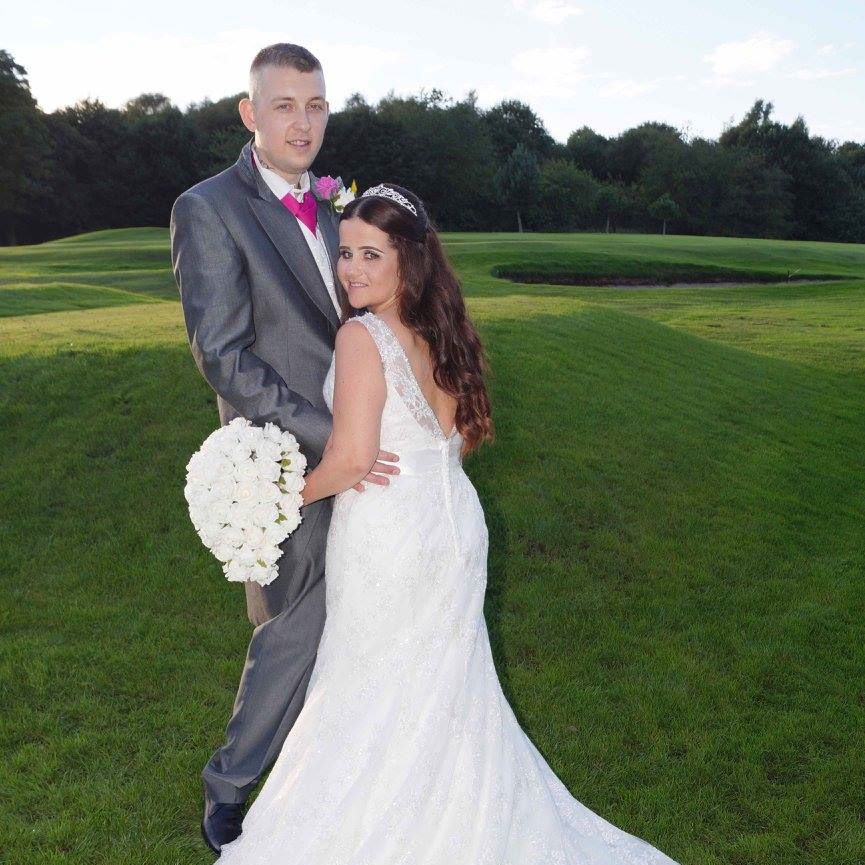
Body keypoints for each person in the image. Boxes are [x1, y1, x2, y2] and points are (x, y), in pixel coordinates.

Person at [214, 183, 679, 864]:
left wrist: (274, 502)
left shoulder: (361, 335)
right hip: (452, 524)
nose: (351, 270)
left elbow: (352, 459)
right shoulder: (441, 329)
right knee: (444, 685)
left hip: (387, 536)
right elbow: (446, 442)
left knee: (372, 683)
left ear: (408, 258)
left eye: (371, 255)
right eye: (345, 253)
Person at [170, 43, 398, 853]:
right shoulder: (209, 207)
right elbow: (224, 354)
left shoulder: (339, 209)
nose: (302, 123)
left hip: (361, 439)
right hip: (280, 458)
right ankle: (230, 786)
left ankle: (334, 770)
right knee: (295, 624)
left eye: (315, 105)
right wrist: (333, 435)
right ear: (250, 113)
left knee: (364, 611)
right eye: (283, 105)